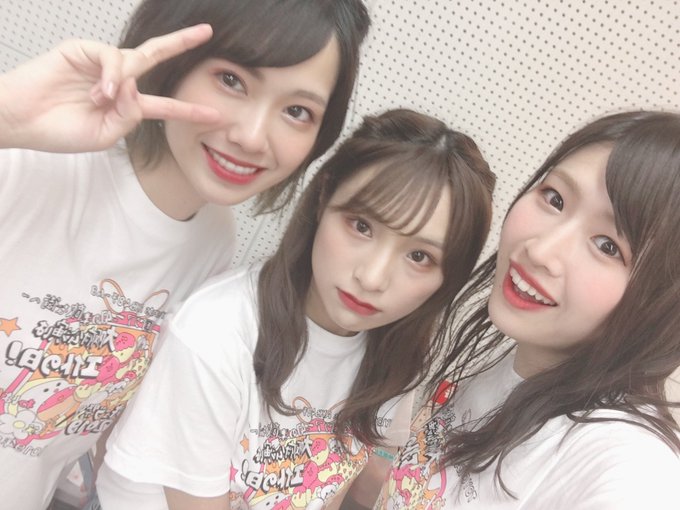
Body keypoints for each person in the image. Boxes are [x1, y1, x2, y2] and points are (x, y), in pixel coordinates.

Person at [0, 1, 370, 508]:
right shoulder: (29, 165)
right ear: (175, 58)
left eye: (296, 111)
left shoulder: (213, 240)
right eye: (232, 80)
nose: (251, 136)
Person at [95, 108, 496, 509]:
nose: (372, 278)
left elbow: (334, 485)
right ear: (324, 197)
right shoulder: (216, 333)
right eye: (362, 226)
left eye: (419, 256)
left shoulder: (396, 357)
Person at [375, 110, 680, 509]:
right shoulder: (512, 365)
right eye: (555, 198)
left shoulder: (631, 468)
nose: (540, 251)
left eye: (608, 246)